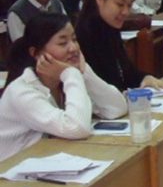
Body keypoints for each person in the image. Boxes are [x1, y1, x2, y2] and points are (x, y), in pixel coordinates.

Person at [0, 12, 127, 162]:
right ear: (35, 53)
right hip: (12, 171)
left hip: (47, 161)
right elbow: (76, 128)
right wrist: (71, 74)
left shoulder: (66, 77)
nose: (73, 48)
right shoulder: (22, 91)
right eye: (62, 43)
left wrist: (84, 73)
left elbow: (117, 109)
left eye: (74, 39)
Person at [75, 0, 163, 92]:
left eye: (129, 5)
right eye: (120, 4)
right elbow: (102, 86)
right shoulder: (85, 34)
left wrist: (145, 78)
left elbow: (126, 71)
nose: (126, 12)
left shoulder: (110, 27)